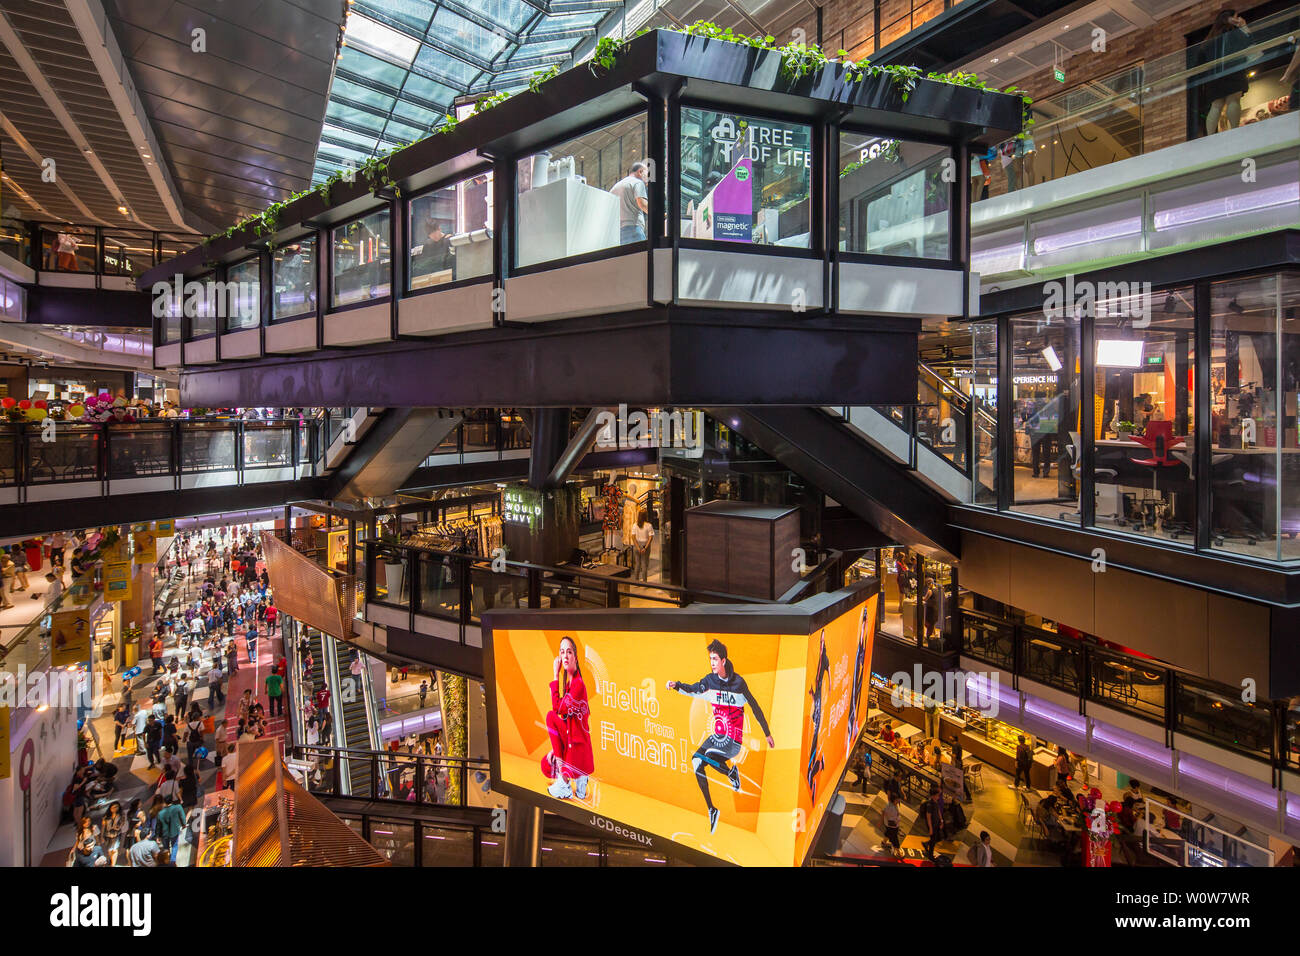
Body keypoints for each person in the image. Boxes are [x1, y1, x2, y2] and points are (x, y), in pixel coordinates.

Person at [667, 638, 774, 836]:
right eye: (710, 659)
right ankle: (712, 808)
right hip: (717, 736)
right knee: (696, 762)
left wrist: (767, 733)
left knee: (707, 753)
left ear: (724, 660)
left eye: (715, 659)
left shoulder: (739, 683)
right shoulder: (710, 680)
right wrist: (676, 685)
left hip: (733, 741)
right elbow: (693, 689)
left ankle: (730, 774)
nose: (713, 662)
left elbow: (755, 707)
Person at [540, 636, 594, 800]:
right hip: (572, 739)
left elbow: (557, 709)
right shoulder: (570, 683)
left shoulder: (578, 684)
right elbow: (564, 716)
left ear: (575, 658)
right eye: (562, 652)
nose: (565, 656)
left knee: (550, 717)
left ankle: (566, 781)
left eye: (569, 652)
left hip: (578, 744)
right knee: (545, 765)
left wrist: (555, 675)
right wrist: (556, 749)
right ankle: (579, 778)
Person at [1201, 10, 1253, 136]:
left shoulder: (1211, 37)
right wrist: (1244, 26)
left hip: (1213, 76)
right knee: (1233, 100)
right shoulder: (1233, 32)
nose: (1238, 18)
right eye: (1236, 16)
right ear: (1229, 18)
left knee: (1216, 105)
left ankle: (1209, 137)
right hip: (1233, 69)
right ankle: (1235, 131)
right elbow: (1249, 42)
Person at [609, 160, 650, 243]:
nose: (648, 178)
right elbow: (643, 204)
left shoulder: (614, 187)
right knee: (641, 256)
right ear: (640, 172)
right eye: (647, 174)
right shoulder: (638, 183)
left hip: (617, 233)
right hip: (634, 229)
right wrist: (659, 214)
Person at [922, 785, 946, 860]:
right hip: (932, 825)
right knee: (933, 841)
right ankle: (930, 855)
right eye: (937, 795)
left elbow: (938, 810)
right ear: (933, 796)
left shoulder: (935, 802)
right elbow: (928, 817)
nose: (939, 796)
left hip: (937, 823)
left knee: (938, 838)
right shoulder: (929, 804)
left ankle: (926, 844)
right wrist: (931, 828)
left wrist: (941, 820)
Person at [631, 510, 654, 581]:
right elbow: (650, 538)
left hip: (636, 545)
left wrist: (638, 547)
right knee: (644, 564)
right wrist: (645, 548)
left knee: (637, 564)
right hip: (645, 545)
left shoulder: (635, 525)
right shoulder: (649, 525)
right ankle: (644, 582)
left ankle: (636, 580)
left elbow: (633, 537)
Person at [101, 801, 124, 866]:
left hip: (116, 835)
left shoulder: (120, 815)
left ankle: (113, 864)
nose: (115, 808)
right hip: (107, 835)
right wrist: (101, 836)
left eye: (117, 807)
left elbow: (122, 824)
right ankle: (111, 860)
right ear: (110, 808)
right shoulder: (106, 816)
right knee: (109, 850)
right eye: (113, 807)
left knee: (115, 849)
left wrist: (117, 827)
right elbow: (103, 826)